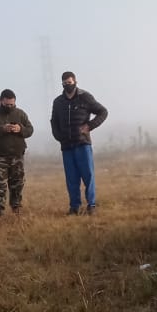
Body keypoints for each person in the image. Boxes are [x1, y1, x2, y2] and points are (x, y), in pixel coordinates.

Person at [50, 71, 108, 215]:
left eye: (69, 83)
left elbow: (103, 112)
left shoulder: (85, 97)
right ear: (62, 84)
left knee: (88, 175)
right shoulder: (58, 102)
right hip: (66, 147)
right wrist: (59, 136)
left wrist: (90, 126)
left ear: (75, 81)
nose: (67, 85)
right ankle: (74, 207)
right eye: (64, 83)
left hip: (83, 144)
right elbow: (54, 121)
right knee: (71, 178)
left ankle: (91, 205)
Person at [0, 89, 34, 217]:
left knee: (17, 184)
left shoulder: (20, 114)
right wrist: (1, 129)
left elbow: (30, 130)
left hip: (17, 156)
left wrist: (20, 129)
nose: (10, 107)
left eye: (12, 104)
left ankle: (17, 209)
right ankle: (0, 213)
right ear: (1, 101)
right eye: (7, 104)